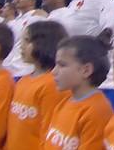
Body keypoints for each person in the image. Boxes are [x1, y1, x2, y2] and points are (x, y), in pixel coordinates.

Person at [5, 21, 69, 150]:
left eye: (27, 41)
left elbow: (49, 131)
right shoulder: (23, 81)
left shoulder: (53, 84)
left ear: (45, 43)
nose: (21, 46)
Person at [44, 35, 114, 150]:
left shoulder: (97, 111)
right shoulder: (64, 103)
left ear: (86, 70)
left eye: (62, 65)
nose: (53, 71)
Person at [3, 0, 48, 78]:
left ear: (33, 1)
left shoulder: (38, 18)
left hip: (23, 69)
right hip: (7, 68)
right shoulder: (13, 22)